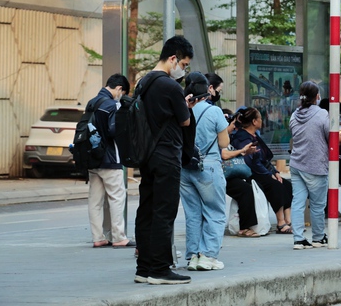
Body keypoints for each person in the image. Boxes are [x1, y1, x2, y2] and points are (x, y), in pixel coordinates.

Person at [135, 35, 196, 285]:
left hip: (146, 154)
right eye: (183, 64)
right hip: (167, 154)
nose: (183, 69)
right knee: (164, 211)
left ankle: (144, 267)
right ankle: (160, 269)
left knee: (147, 209)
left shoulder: (143, 82)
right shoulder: (170, 86)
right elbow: (184, 120)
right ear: (173, 59)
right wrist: (186, 106)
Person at [180, 72, 236, 271]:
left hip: (185, 168)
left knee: (193, 214)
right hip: (209, 166)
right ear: (208, 89)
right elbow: (224, 143)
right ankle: (208, 256)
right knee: (214, 211)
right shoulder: (214, 112)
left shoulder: (183, 109)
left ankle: (193, 256)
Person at [86, 73, 134, 249]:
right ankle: (119, 237)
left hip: (92, 159)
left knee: (95, 200)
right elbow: (115, 131)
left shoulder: (92, 103)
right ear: (119, 89)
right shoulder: (112, 104)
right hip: (110, 159)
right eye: (123, 93)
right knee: (116, 197)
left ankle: (98, 237)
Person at [232, 107, 293, 234]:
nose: (262, 121)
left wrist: (274, 171)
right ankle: (281, 222)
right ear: (254, 121)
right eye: (260, 118)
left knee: (286, 184)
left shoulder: (254, 136)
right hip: (251, 173)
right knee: (275, 185)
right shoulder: (243, 138)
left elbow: (265, 159)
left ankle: (288, 220)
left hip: (261, 170)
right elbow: (251, 162)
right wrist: (268, 174)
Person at [289, 81, 330, 249]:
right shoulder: (322, 114)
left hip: (296, 164)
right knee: (317, 205)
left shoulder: (294, 115)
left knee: (297, 202)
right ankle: (318, 237)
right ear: (317, 96)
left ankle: (298, 239)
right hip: (316, 165)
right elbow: (330, 136)